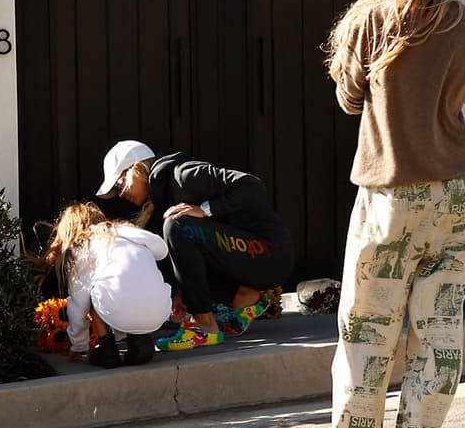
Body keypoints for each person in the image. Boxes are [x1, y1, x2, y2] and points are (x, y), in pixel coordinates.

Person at [292, 0, 465, 428]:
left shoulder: (368, 23)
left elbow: (350, 99)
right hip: (455, 194)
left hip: (388, 197)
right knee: (439, 330)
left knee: (366, 334)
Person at [96, 140, 293, 350]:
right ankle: (245, 298)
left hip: (270, 252)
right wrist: (183, 295)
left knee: (177, 224)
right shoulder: (162, 196)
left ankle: (204, 326)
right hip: (254, 258)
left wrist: (205, 209)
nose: (120, 193)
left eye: (119, 184)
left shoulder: (184, 175)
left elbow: (252, 185)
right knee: (174, 231)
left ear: (135, 169)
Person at [40, 201, 172, 368]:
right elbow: (161, 250)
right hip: (160, 310)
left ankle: (107, 348)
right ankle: (138, 341)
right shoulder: (131, 236)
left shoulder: (83, 247)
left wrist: (79, 344)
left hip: (120, 309)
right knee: (133, 282)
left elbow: (78, 306)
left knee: (93, 294)